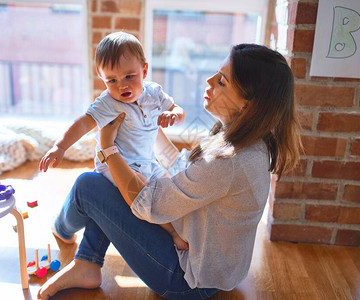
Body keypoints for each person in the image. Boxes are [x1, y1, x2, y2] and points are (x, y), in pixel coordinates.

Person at [37, 43, 301, 300]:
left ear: (249, 104)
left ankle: (63, 230)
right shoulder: (251, 143)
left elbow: (148, 203)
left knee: (89, 185)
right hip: (213, 268)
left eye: (222, 81)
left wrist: (108, 147)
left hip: (186, 280)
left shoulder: (229, 161)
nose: (208, 81)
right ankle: (87, 263)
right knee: (111, 184)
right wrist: (148, 132)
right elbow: (185, 173)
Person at [39, 31, 188, 250]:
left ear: (144, 70)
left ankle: (175, 224)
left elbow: (178, 109)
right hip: (114, 165)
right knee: (144, 191)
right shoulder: (108, 103)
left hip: (146, 162)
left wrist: (174, 115)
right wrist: (59, 147)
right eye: (112, 80)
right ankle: (173, 232)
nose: (122, 86)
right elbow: (83, 123)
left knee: (170, 186)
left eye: (129, 77)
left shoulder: (154, 93)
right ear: (103, 80)